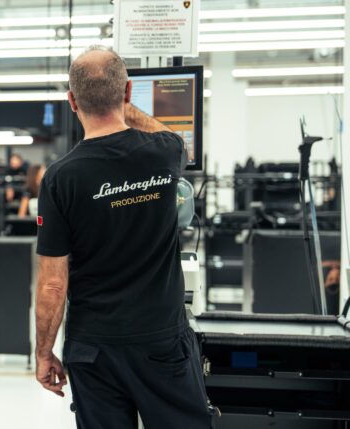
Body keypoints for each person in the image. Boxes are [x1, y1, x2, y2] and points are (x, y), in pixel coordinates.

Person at [33, 46, 212, 428]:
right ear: (128, 93)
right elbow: (171, 136)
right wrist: (119, 98)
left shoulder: (60, 178)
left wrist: (44, 352)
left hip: (93, 348)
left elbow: (52, 285)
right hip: (161, 341)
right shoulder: (164, 151)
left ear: (71, 101)